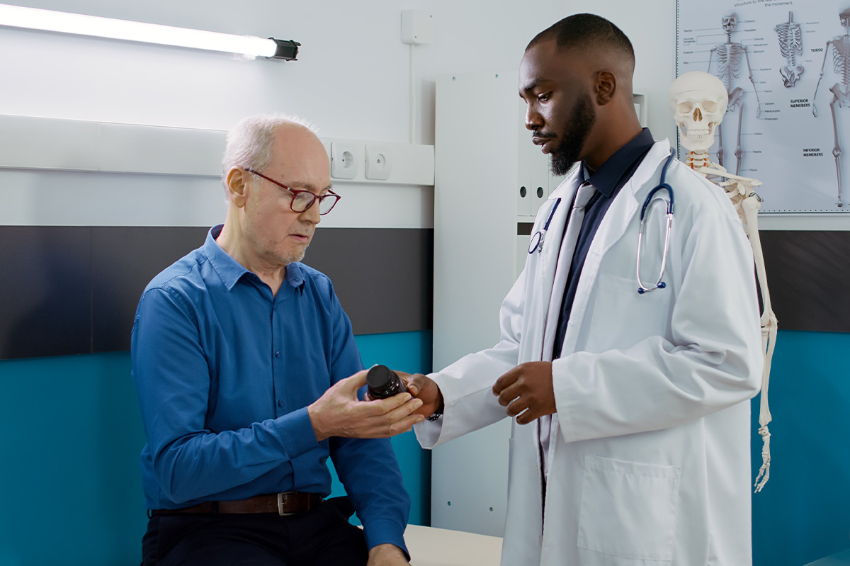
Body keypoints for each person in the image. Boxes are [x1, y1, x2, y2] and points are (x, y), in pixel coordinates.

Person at [404, 14, 764, 566]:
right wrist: (442, 393)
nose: (529, 118)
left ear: (603, 86)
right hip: (557, 499)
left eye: (543, 95)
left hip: (647, 516)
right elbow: (523, 350)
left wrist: (571, 388)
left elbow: (727, 362)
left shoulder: (694, 207)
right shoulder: (562, 206)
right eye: (525, 99)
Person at [132, 115, 422, 566]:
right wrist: (313, 424)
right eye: (298, 194)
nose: (312, 214)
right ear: (239, 186)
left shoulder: (319, 294)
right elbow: (179, 471)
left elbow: (361, 436)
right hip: (209, 531)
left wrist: (386, 540)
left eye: (322, 198)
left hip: (314, 528)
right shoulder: (175, 301)